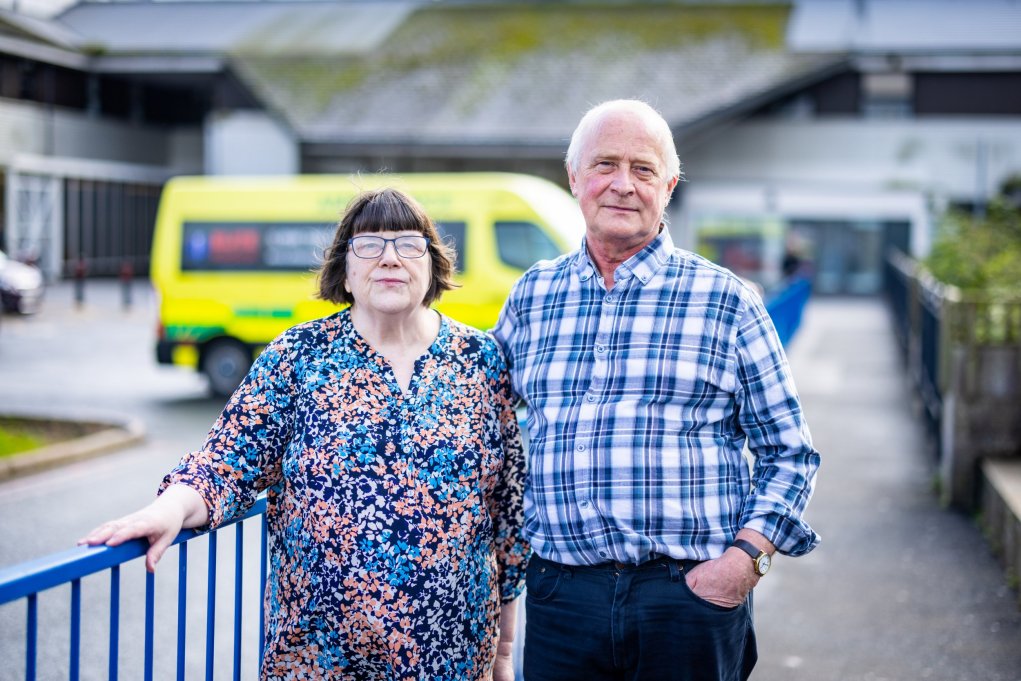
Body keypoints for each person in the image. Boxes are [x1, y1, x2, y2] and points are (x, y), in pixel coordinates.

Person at [81, 187, 529, 681]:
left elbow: (506, 510)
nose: (389, 258)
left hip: (453, 658)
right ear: (345, 271)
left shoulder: (479, 360)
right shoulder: (298, 356)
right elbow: (227, 459)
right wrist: (167, 509)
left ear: (432, 263)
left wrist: (503, 651)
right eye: (368, 245)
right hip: (318, 659)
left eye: (408, 243)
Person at [491, 99, 820, 681]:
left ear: (668, 185)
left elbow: (790, 453)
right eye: (604, 165)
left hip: (687, 600)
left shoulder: (728, 301)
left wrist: (746, 562)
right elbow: (483, 420)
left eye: (642, 169)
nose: (622, 185)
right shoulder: (532, 296)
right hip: (560, 597)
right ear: (574, 179)